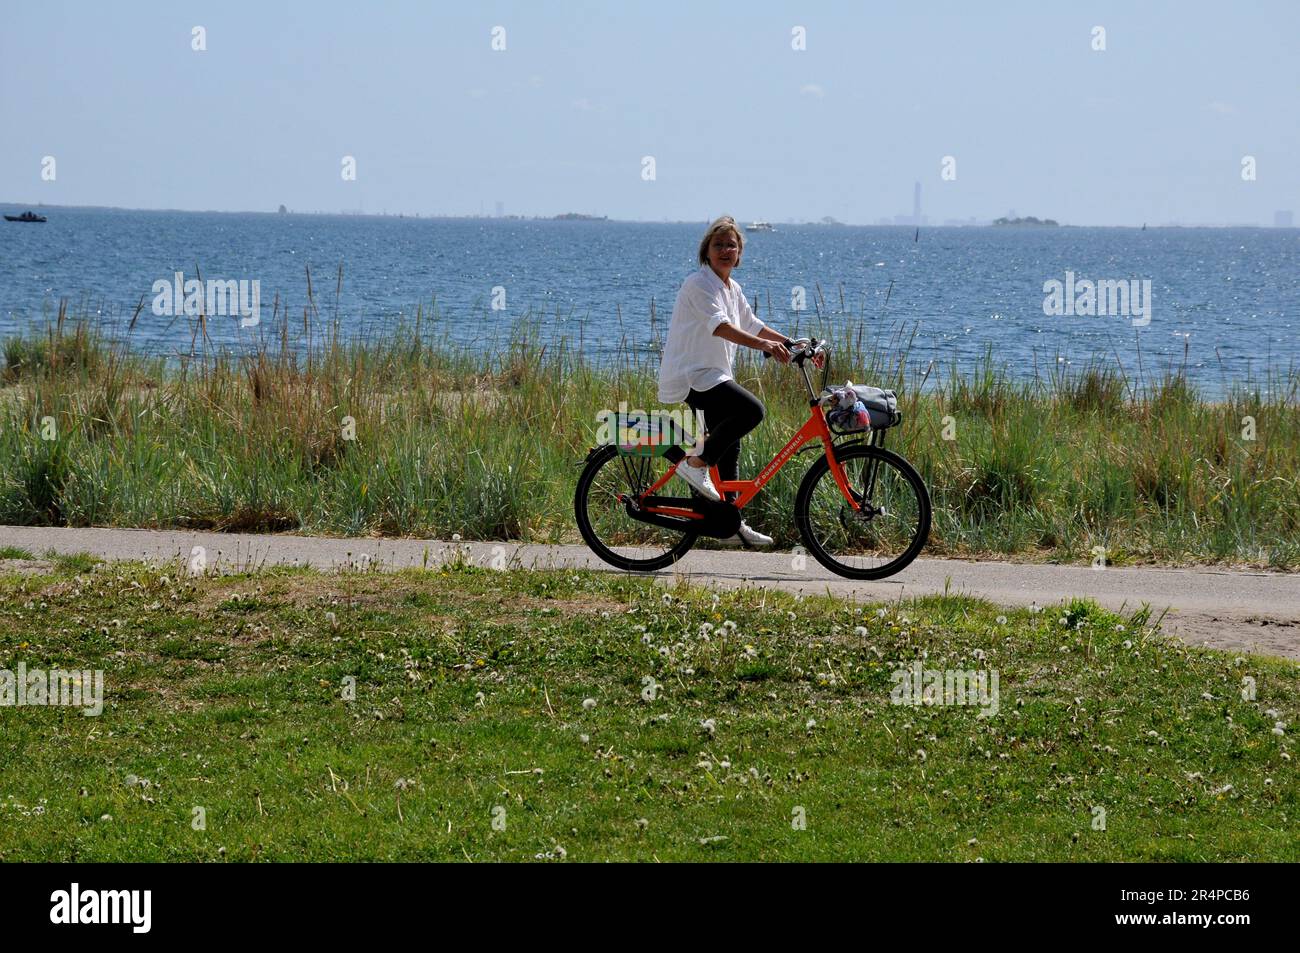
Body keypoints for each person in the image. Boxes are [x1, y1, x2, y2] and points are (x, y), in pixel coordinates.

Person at [656, 215, 801, 548]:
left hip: (714, 375)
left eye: (731, 245)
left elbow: (751, 324)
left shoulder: (732, 289)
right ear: (706, 251)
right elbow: (719, 326)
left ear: (739, 254)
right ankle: (695, 464)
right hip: (693, 375)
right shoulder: (698, 284)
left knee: (730, 447)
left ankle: (731, 522)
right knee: (752, 411)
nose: (725, 249)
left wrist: (792, 344)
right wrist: (765, 346)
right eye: (718, 244)